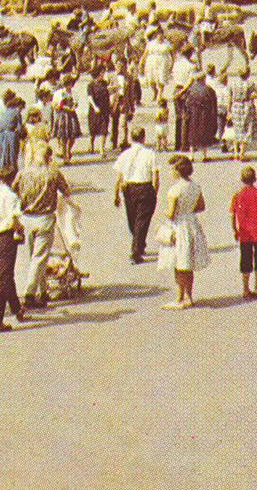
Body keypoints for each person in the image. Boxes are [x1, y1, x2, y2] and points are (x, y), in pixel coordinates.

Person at [15, 143, 70, 310]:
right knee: (39, 257)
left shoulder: (23, 172)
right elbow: (66, 191)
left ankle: (43, 290)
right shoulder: (52, 173)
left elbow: (14, 189)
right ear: (48, 157)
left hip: (26, 217)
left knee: (33, 257)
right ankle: (30, 294)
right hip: (44, 218)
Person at [0, 165, 29, 332]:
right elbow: (13, 220)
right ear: (13, 179)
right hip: (7, 237)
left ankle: (17, 308)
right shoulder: (11, 197)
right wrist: (20, 229)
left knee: (5, 275)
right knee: (4, 277)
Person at [159, 155, 210, 308]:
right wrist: (188, 209)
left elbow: (170, 213)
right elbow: (201, 206)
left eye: (172, 169)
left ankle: (179, 298)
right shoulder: (195, 187)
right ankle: (189, 296)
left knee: (179, 262)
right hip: (191, 223)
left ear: (177, 171)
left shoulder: (174, 189)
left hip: (179, 225)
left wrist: (164, 212)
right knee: (188, 262)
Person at [113, 126, 160, 265]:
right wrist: (154, 191)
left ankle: (137, 246)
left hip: (129, 188)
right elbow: (155, 175)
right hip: (145, 186)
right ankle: (137, 248)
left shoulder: (124, 154)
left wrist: (116, 194)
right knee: (141, 220)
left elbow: (119, 177)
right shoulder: (150, 154)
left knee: (133, 219)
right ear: (143, 138)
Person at [229, 164, 257, 299]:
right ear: (255, 179)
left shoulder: (237, 195)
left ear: (241, 180)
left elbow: (232, 214)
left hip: (244, 233)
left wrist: (234, 229)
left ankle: (245, 289)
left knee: (245, 260)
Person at [179, 68, 220, 160]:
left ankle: (191, 156)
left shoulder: (191, 89)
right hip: (204, 115)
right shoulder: (208, 89)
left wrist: (187, 114)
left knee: (192, 134)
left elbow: (186, 102)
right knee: (203, 134)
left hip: (193, 114)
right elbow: (213, 103)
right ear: (203, 78)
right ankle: (204, 156)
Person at [225, 66, 257, 161]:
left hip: (235, 106)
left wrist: (228, 111)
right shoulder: (250, 84)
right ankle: (242, 152)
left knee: (236, 129)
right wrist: (254, 96)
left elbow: (229, 98)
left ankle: (235, 152)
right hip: (246, 105)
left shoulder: (233, 84)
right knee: (245, 129)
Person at [0, 93, 24, 180]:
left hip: (1, 135)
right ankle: (12, 176)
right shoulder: (16, 113)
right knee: (12, 156)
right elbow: (20, 128)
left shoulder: (3, 112)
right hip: (11, 135)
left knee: (0, 155)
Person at [49, 77, 82, 164]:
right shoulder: (58, 93)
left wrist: (73, 106)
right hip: (62, 115)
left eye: (70, 85)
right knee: (63, 136)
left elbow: (76, 103)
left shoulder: (74, 92)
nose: (69, 87)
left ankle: (68, 150)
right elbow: (54, 104)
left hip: (71, 115)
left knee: (72, 136)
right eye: (67, 85)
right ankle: (65, 156)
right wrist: (62, 107)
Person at [85, 65, 112, 156]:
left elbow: (108, 94)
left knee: (104, 129)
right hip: (94, 109)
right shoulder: (91, 85)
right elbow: (90, 97)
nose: (103, 75)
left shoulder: (104, 83)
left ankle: (101, 149)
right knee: (93, 129)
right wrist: (95, 107)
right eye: (101, 73)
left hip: (104, 109)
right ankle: (91, 144)